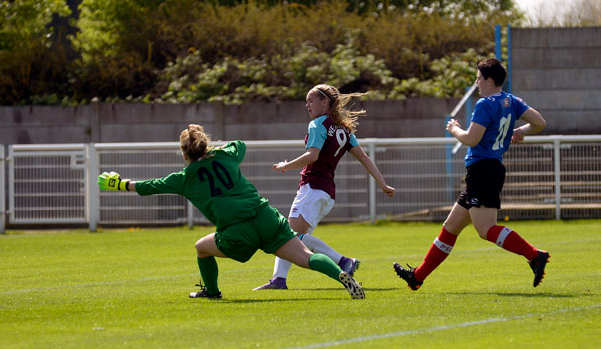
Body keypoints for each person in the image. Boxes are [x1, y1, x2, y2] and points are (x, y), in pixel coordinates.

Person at [98, 124, 365, 299]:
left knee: (201, 247)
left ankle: (211, 292)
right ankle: (340, 277)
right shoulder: (226, 156)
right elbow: (240, 144)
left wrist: (120, 184)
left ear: (184, 152)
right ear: (206, 145)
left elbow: (150, 186)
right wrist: (218, 150)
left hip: (238, 230)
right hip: (265, 216)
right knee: (305, 256)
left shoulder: (185, 177)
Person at [393, 58, 550, 290]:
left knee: (486, 230)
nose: (477, 83)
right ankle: (417, 276)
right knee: (450, 227)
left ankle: (535, 255)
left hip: (483, 170)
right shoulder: (511, 100)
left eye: (478, 78)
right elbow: (539, 122)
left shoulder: (485, 104)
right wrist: (518, 131)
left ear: (488, 79)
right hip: (488, 169)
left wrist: (453, 128)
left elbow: (471, 139)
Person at [253, 83, 395, 291]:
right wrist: (382, 184)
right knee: (292, 237)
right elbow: (364, 157)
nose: (307, 105)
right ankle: (278, 280)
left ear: (325, 102)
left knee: (287, 236)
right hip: (326, 193)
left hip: (313, 188)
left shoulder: (318, 124)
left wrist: (286, 165)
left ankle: (342, 261)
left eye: (311, 100)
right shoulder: (344, 130)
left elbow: (313, 155)